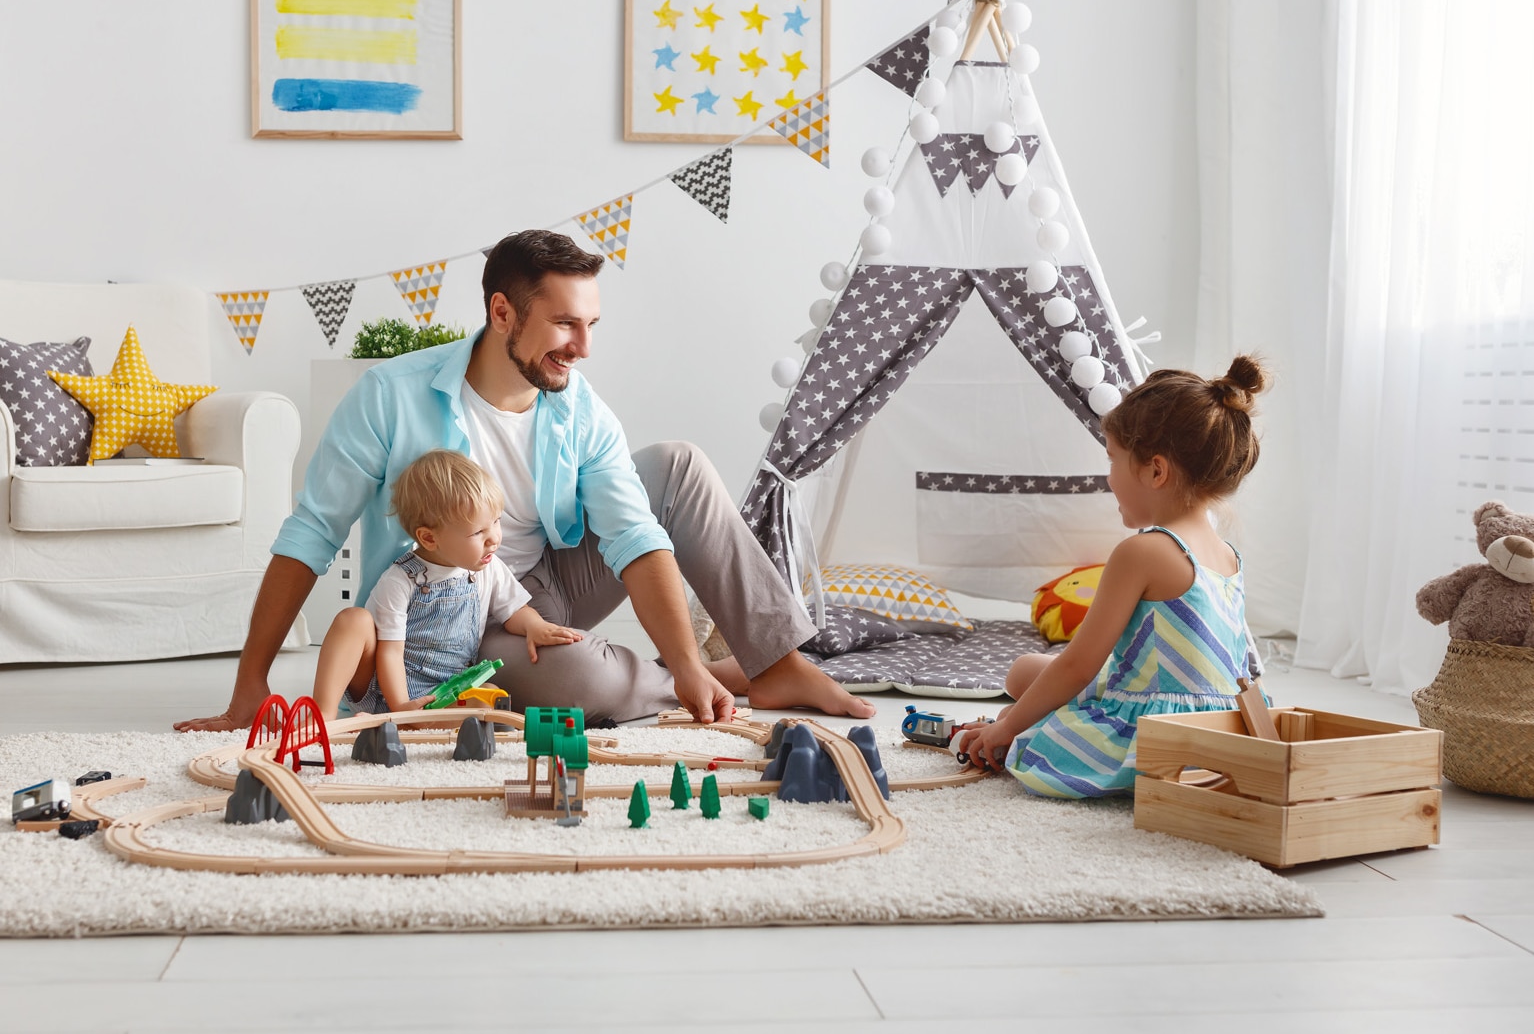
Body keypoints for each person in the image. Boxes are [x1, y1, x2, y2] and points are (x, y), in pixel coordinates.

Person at [176, 229, 875, 732]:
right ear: (502, 312)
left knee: (679, 465)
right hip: (450, 619)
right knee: (585, 682)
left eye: (591, 322)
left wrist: (687, 655)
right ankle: (701, 678)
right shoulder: (392, 394)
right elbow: (311, 534)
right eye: (565, 323)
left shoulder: (577, 404)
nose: (584, 345)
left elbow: (633, 533)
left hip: (545, 585)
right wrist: (250, 684)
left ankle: (773, 662)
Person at [956, 356, 1269, 796]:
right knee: (1028, 670)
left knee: (1027, 680)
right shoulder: (1225, 554)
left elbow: (1078, 665)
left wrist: (1005, 729)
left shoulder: (1141, 551)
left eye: (1113, 460)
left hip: (1157, 735)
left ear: (1155, 471)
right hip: (1224, 728)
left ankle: (1027, 728)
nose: (1109, 478)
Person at [311, 449, 582, 719]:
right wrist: (402, 706)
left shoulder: (488, 567)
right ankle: (326, 712)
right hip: (384, 687)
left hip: (445, 691)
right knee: (353, 619)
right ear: (429, 539)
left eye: (497, 522)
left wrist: (535, 626)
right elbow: (390, 653)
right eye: (478, 532)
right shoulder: (400, 579)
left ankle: (406, 724)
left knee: (489, 696)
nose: (494, 539)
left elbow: (514, 611)